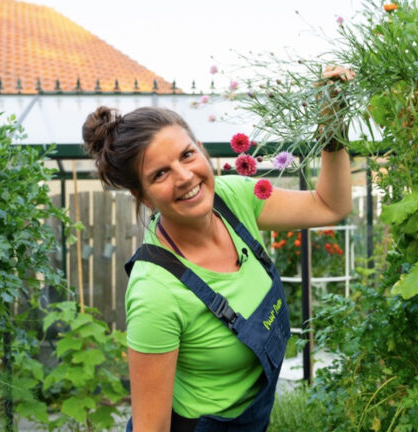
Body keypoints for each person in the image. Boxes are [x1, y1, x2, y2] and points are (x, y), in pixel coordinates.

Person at [82, 66, 354, 432]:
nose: (185, 177)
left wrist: (332, 127)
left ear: (202, 149)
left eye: (187, 155)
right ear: (141, 194)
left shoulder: (234, 198)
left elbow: (329, 205)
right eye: (160, 174)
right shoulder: (155, 292)